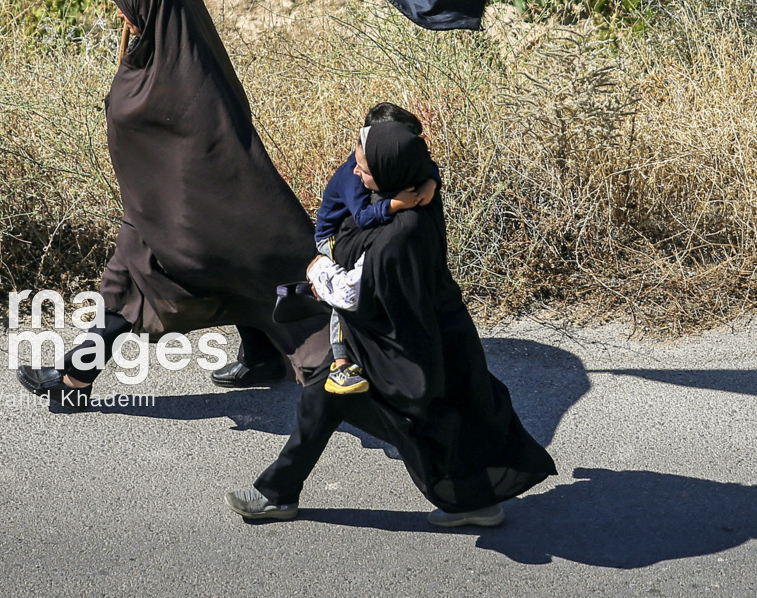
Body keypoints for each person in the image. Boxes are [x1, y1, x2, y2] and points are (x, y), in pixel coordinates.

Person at [16, 0, 330, 411]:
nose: (122, 17)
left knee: (134, 285)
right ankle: (261, 357)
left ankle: (74, 375)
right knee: (152, 283)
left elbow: (155, 127)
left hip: (186, 214)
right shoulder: (165, 55)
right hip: (160, 204)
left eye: (129, 8)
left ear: (156, 8)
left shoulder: (184, 75)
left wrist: (121, 97)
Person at [225, 121, 557, 527]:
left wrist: (317, 270)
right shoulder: (418, 196)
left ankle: (469, 500)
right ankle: (277, 492)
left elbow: (352, 293)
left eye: (364, 166)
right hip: (432, 330)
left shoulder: (397, 234)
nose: (356, 173)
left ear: (389, 169)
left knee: (413, 421)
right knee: (337, 399)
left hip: (396, 348)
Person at [312, 103, 439, 396]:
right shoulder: (354, 174)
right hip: (332, 236)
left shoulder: (386, 160)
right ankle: (340, 362)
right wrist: (397, 204)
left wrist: (432, 181)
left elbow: (425, 163)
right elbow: (363, 217)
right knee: (343, 292)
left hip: (360, 229)